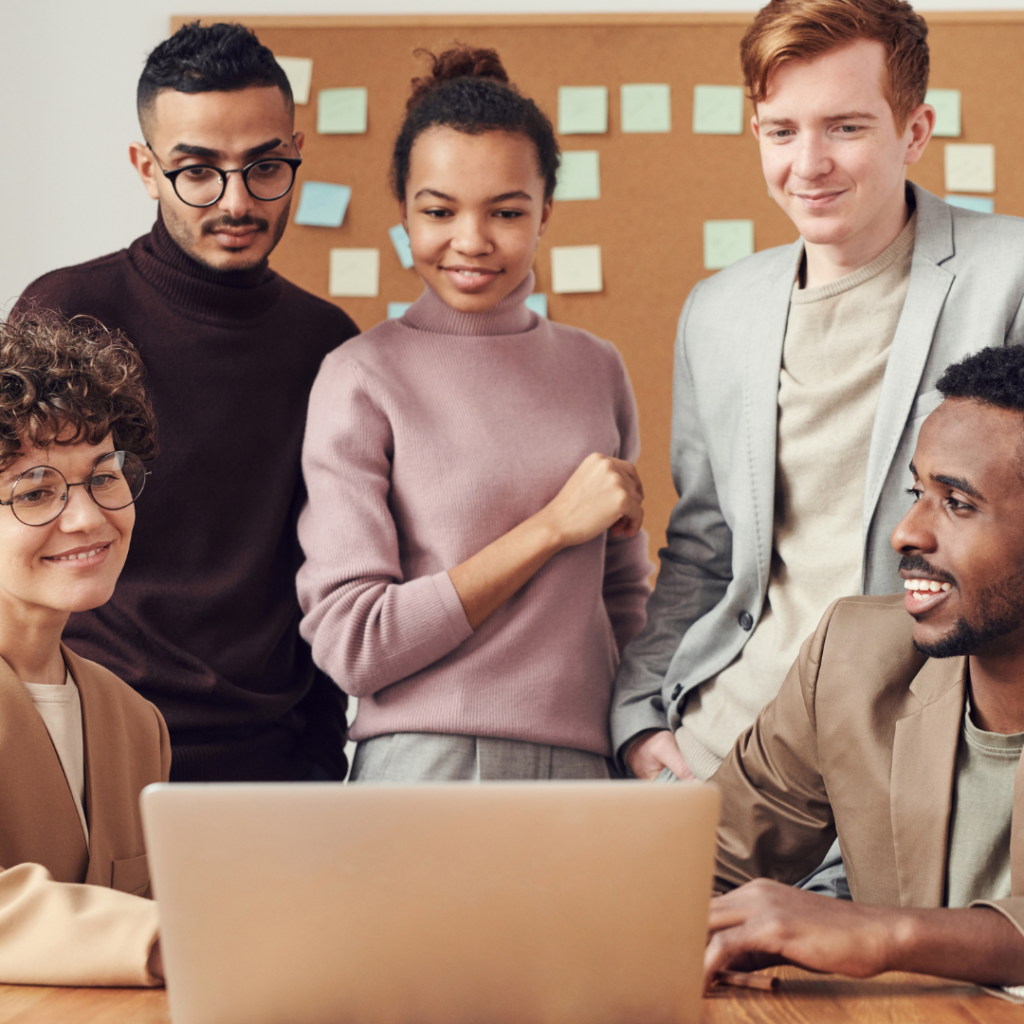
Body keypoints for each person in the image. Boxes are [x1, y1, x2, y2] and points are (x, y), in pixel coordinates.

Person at [612, 0, 1024, 797]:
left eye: (845, 127)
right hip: (716, 746)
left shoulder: (1008, 276)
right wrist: (638, 715)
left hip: (915, 752)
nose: (809, 164)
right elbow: (702, 548)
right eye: (782, 130)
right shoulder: (717, 311)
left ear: (914, 130)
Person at [14, 23, 358, 782]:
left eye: (265, 166)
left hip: (273, 770)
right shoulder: (68, 311)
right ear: (145, 167)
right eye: (198, 171)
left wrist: (319, 760)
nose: (236, 200)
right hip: (93, 752)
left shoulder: (329, 342)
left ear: (296, 151)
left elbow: (330, 573)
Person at [297, 47, 651, 782]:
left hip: (592, 770)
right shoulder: (362, 376)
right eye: (438, 211)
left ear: (546, 211)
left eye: (506, 212)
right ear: (403, 209)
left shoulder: (597, 368)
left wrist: (642, 739)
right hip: (424, 765)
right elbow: (354, 642)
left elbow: (621, 599)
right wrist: (552, 528)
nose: (470, 241)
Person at [704, 344, 1024, 994]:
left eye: (957, 503)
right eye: (917, 491)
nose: (906, 532)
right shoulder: (855, 657)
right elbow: (705, 866)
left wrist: (881, 934)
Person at [0, 313, 168, 987]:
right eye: (35, 491)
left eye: (104, 475)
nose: (89, 518)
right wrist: (179, 936)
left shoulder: (135, 722)